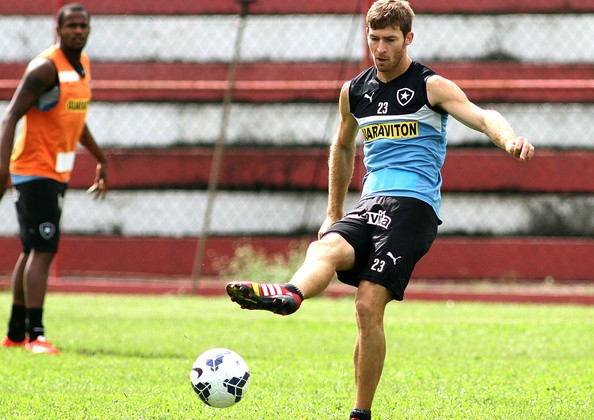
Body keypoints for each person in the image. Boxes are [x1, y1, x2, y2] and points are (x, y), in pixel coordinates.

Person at [225, 0, 535, 418]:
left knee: (368, 304)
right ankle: (290, 294)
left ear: (408, 38)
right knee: (327, 246)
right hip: (370, 201)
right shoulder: (354, 91)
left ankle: (360, 413)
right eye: (374, 39)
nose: (381, 49)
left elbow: (483, 117)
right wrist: (333, 212)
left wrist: (509, 139)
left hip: (414, 207)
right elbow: (343, 145)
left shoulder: (431, 86)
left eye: (390, 40)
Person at [0, 3, 108, 355]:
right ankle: (35, 336)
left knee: (31, 250)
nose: (78, 31)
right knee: (44, 248)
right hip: (33, 170)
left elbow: (76, 120)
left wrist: (101, 159)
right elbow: (10, 116)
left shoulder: (81, 66)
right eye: (71, 25)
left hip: (55, 173)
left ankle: (14, 333)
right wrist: (3, 169)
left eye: (83, 26)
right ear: (58, 29)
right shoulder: (45, 67)